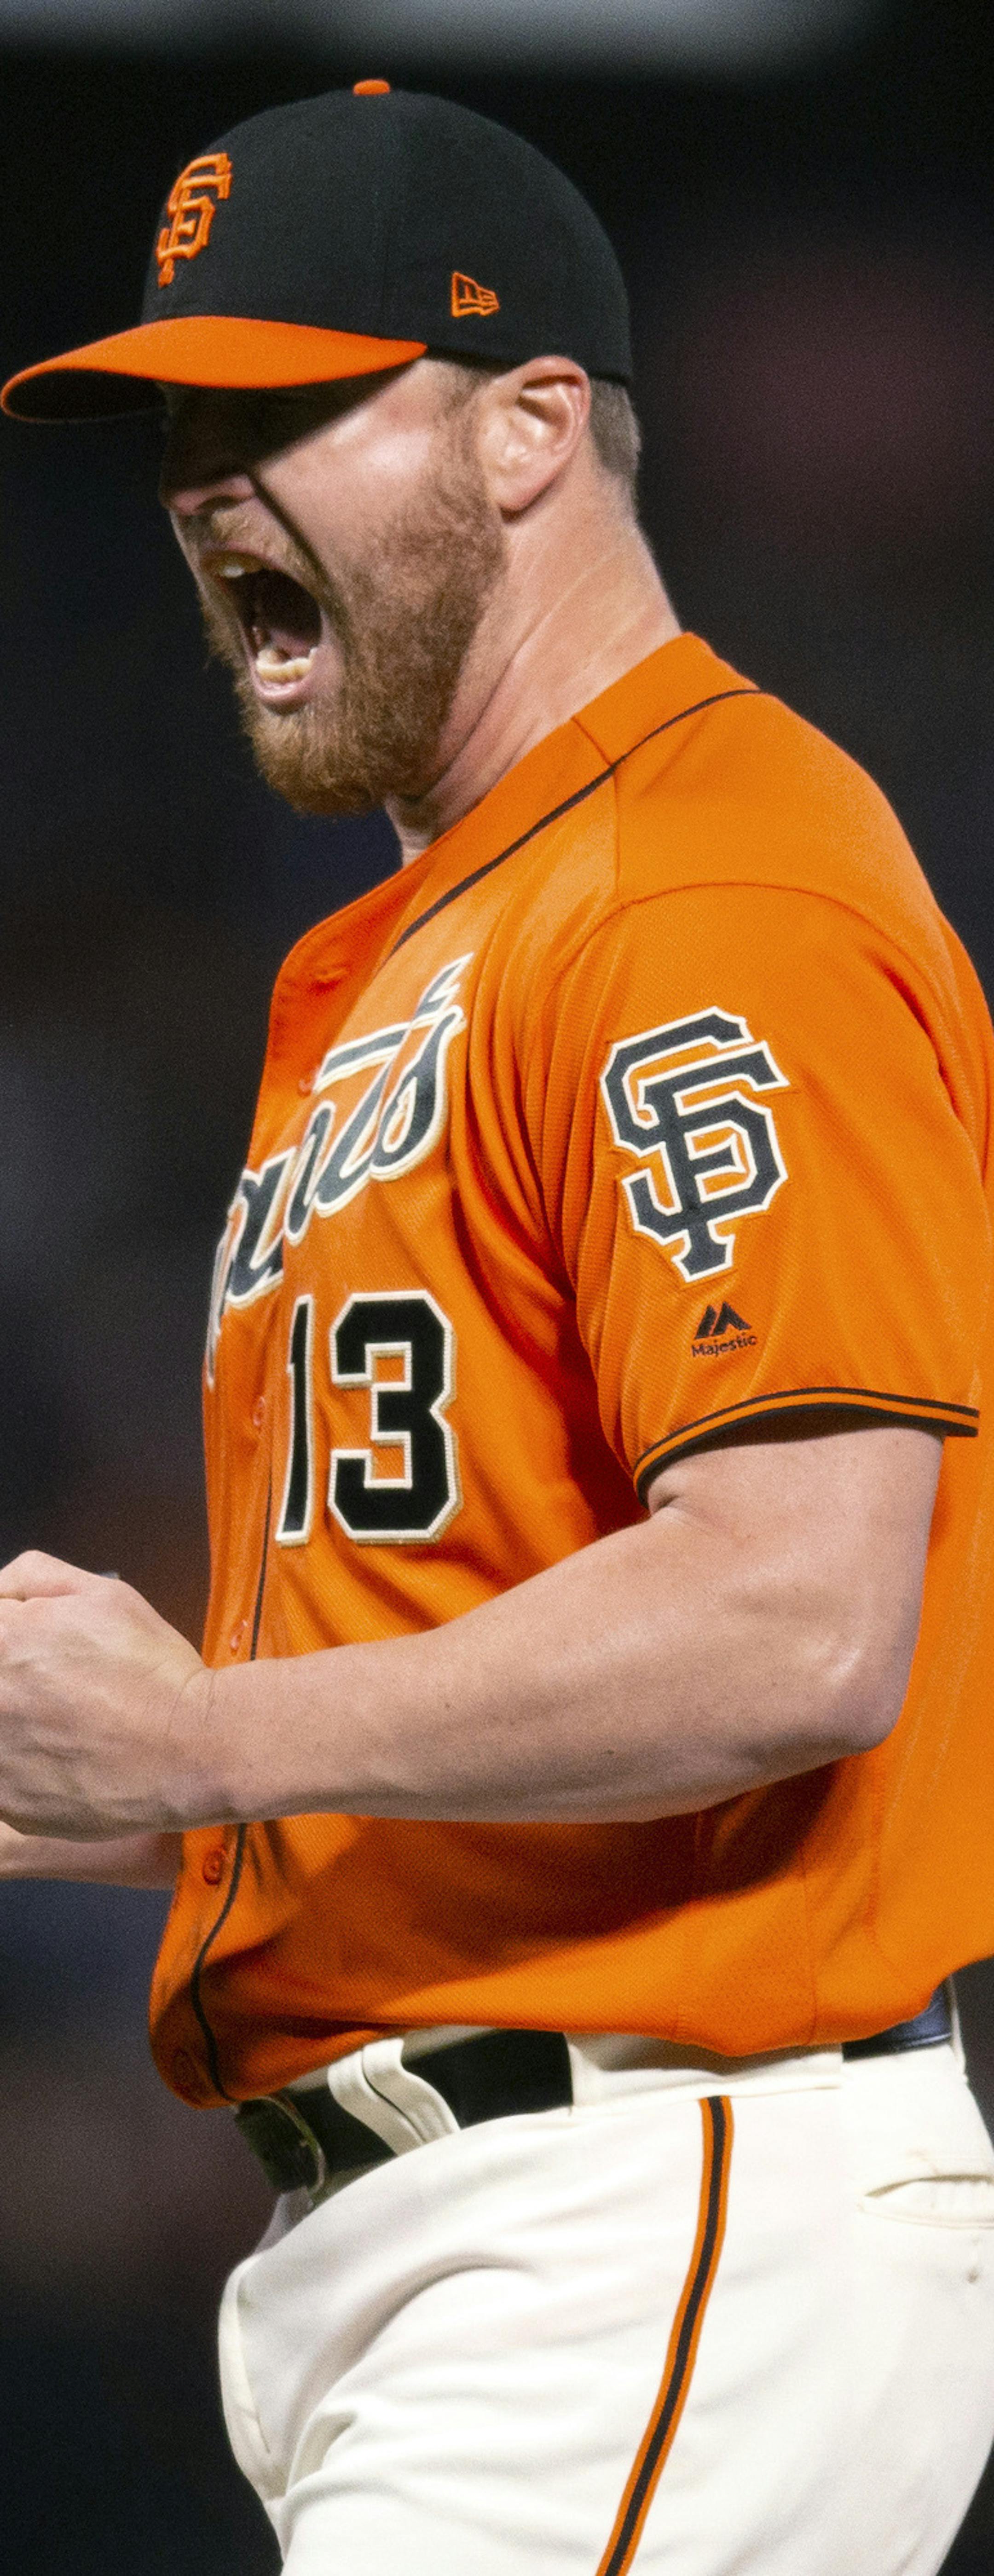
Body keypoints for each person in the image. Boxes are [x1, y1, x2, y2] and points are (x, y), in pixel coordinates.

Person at [3, 81, 994, 2576]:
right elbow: (460, 1673)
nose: (208, 484)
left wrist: (211, 1727)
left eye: (286, 406)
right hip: (467, 2232)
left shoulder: (704, 875)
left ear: (537, 427)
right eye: (175, 429)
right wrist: (139, 1777)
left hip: (654, 2197)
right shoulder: (412, 952)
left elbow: (801, 1609)